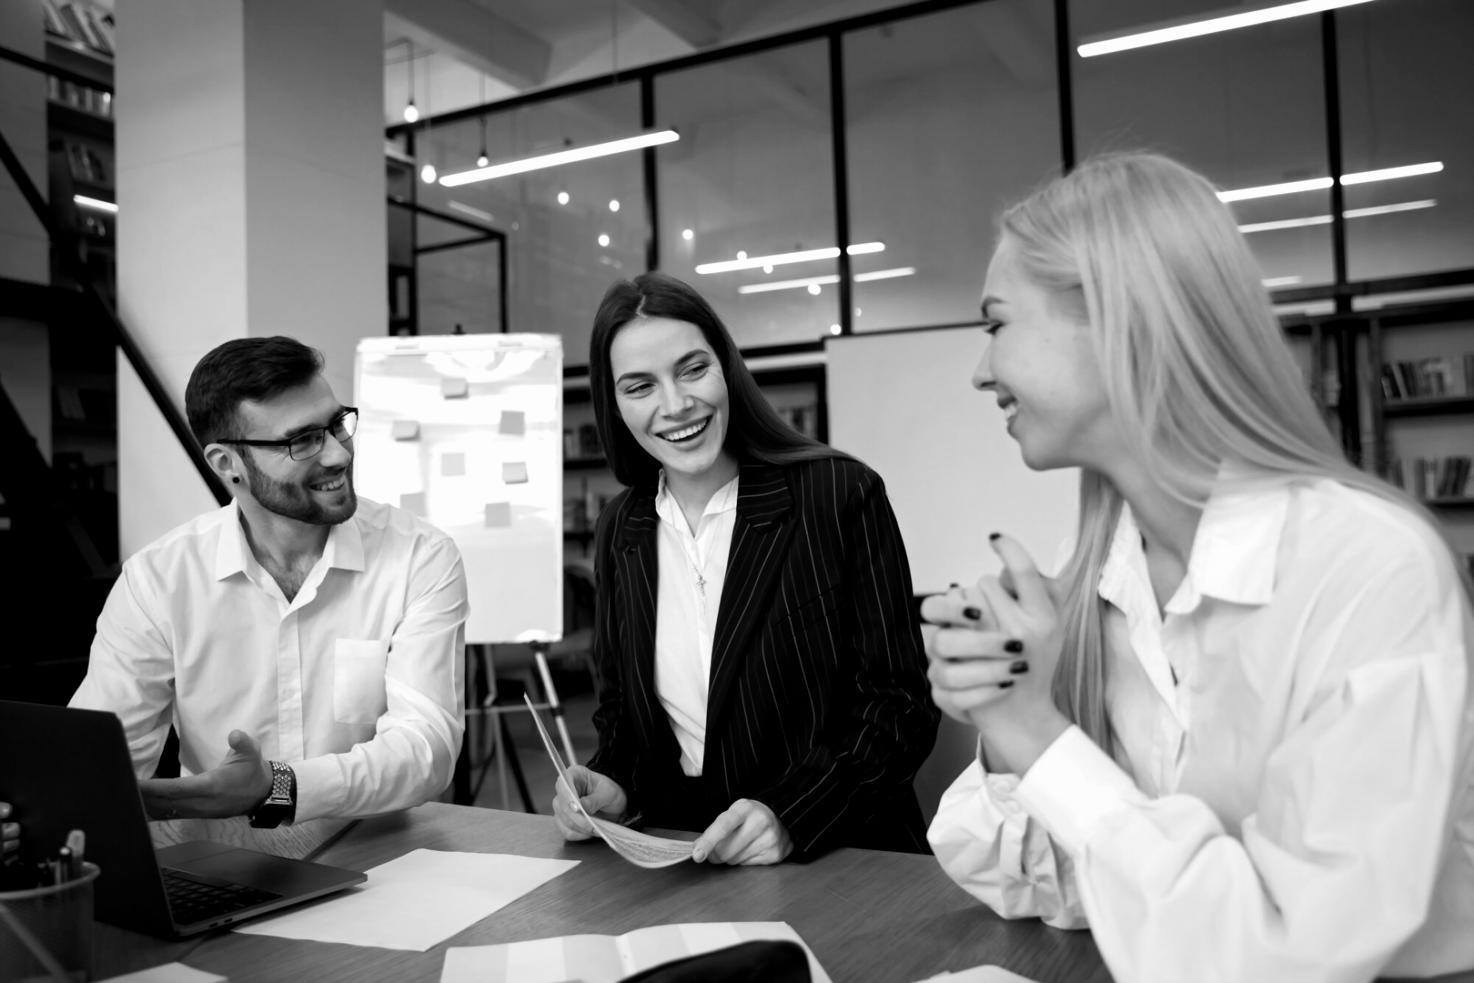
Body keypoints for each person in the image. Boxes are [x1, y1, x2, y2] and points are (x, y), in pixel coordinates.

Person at [924, 152, 1474, 982]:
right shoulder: (1105, 581)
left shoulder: (1369, 568)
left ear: (1116, 316)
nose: (979, 370)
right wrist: (1007, 719)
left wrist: (1041, 734)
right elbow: (1056, 888)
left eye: (997, 323)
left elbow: (1290, 956)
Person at [551, 271, 938, 864]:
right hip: (684, 858)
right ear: (615, 404)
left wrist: (793, 812)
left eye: (692, 369)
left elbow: (898, 705)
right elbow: (623, 715)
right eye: (639, 386)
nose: (675, 405)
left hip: (840, 855)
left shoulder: (837, 495)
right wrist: (614, 785)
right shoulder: (620, 529)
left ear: (725, 367)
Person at [63, 335, 469, 827]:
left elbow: (428, 747)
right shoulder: (159, 581)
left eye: (337, 425)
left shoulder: (419, 556)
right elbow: (100, 757)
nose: (338, 455)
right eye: (302, 440)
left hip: (375, 855)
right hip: (216, 861)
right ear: (227, 464)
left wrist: (280, 787)